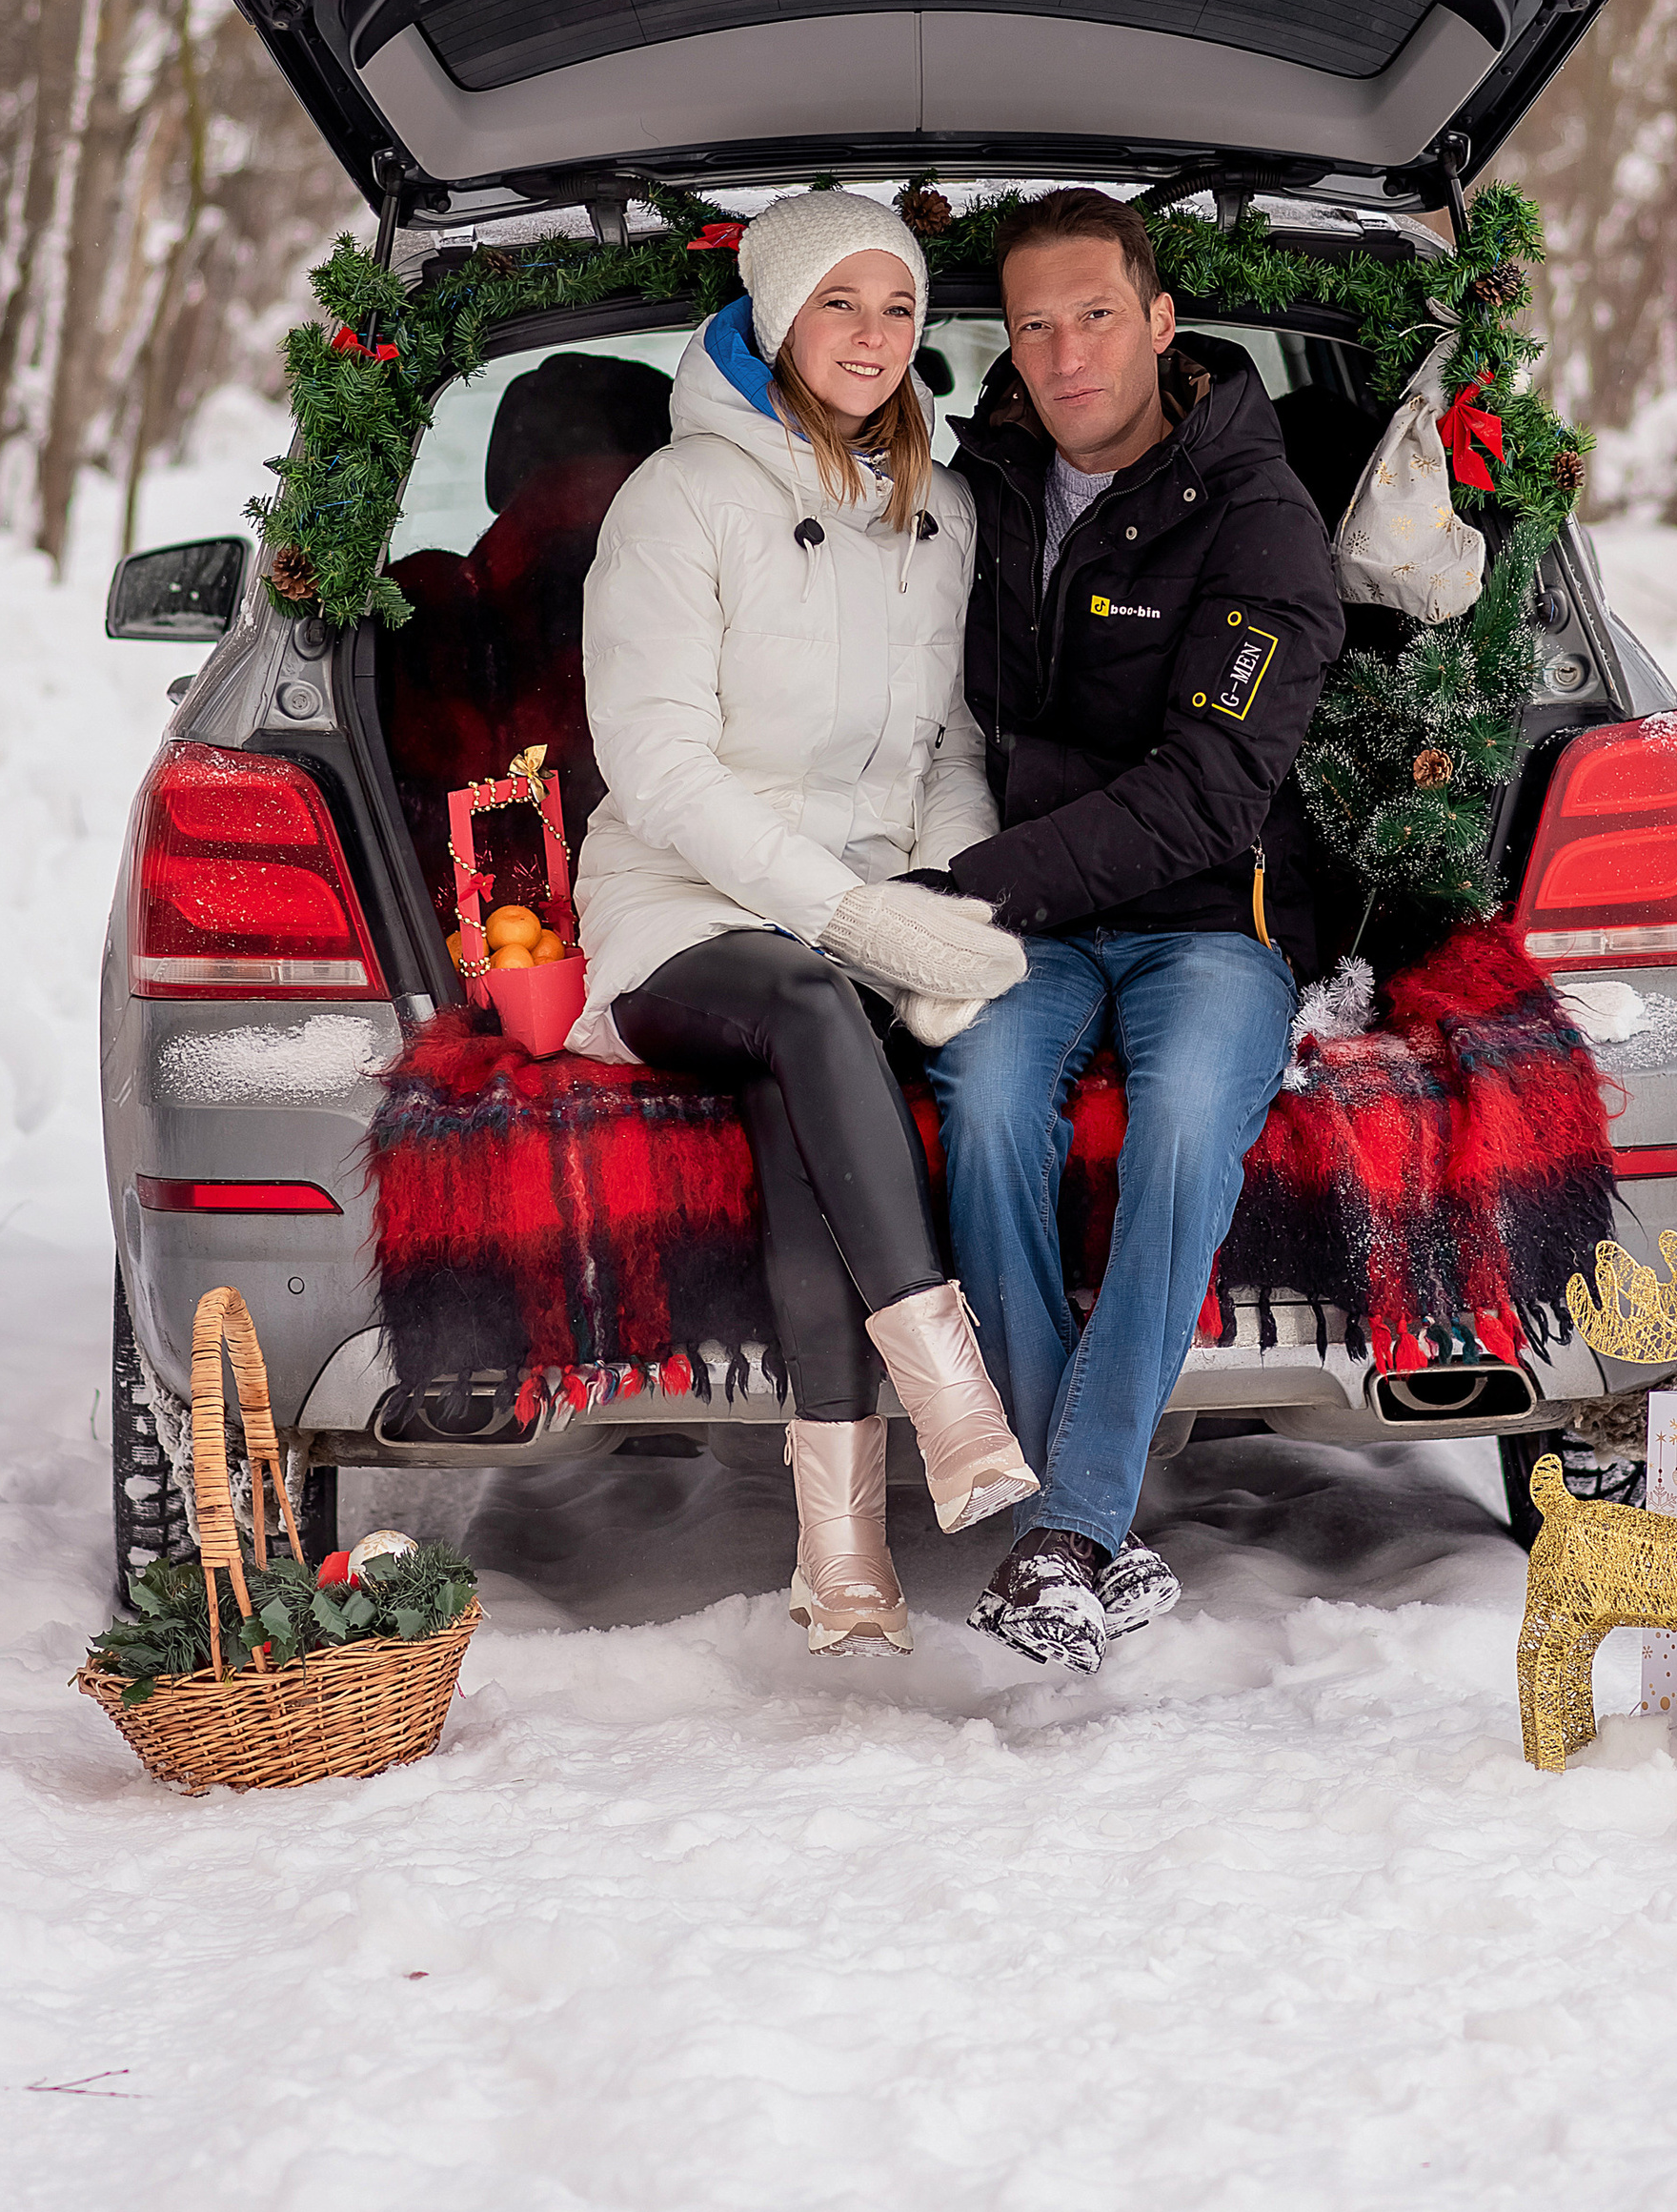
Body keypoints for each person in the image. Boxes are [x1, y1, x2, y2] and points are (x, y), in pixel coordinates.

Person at [572, 189, 1038, 1654]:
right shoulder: (680, 499)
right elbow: (655, 768)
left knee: (803, 1076)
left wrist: (944, 902)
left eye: (898, 307)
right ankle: (955, 1404)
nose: (873, 335)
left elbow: (952, 749)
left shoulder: (941, 511)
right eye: (840, 303)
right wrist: (853, 916)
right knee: (808, 1002)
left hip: (853, 926)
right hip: (678, 912)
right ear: (776, 319)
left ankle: (841, 1548)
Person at [926, 190, 1346, 1672]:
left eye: (1095, 313)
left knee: (1178, 1125)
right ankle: (1075, 1529)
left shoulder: (1261, 518)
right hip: (1037, 925)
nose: (1064, 351)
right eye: (1032, 324)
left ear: (1162, 323)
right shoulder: (973, 482)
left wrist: (969, 888)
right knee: (979, 1106)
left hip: (1204, 924)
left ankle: (1066, 1521)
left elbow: (1207, 795)